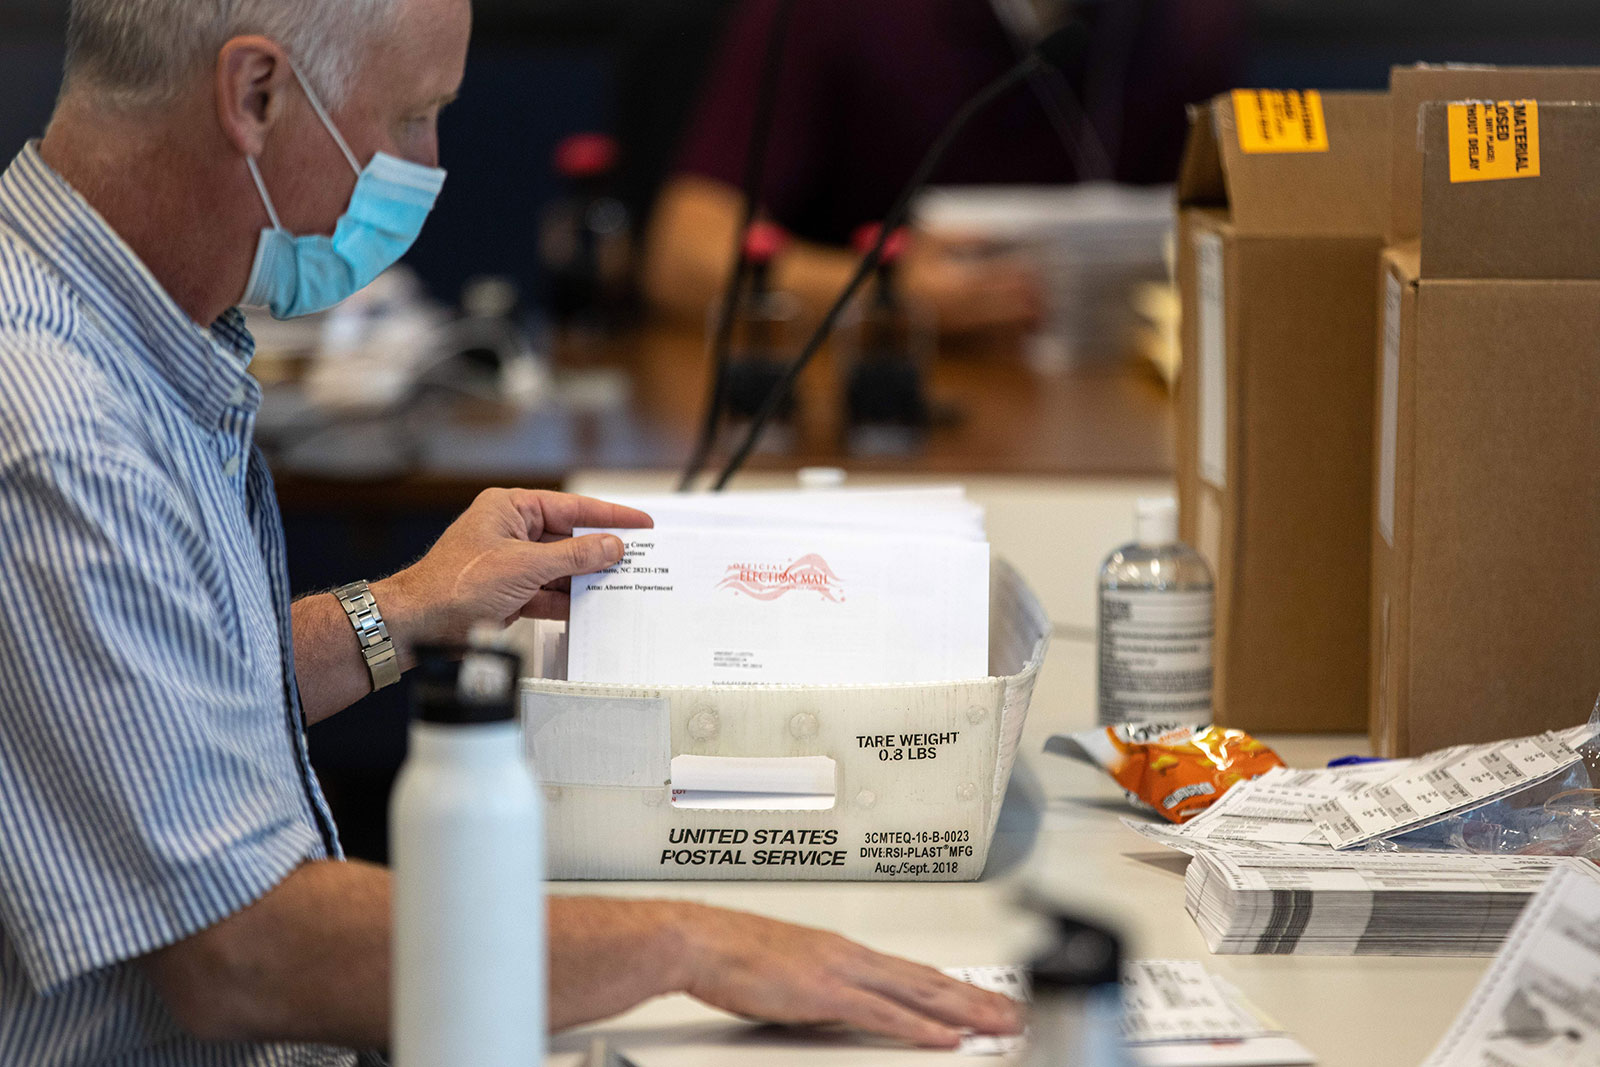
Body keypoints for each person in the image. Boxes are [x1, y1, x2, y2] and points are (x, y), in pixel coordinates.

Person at [0, 0, 1021, 1062]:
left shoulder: (124, 330)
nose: (430, 163)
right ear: (254, 95)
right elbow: (240, 949)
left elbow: (149, 708)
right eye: (411, 115)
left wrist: (401, 609)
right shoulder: (58, 434)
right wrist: (684, 940)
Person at [643, 0, 1243, 338]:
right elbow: (684, 253)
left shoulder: (1188, 24)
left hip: (1107, 418)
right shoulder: (828, 15)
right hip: (878, 420)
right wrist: (881, 296)